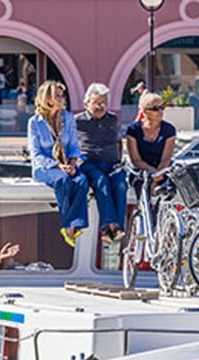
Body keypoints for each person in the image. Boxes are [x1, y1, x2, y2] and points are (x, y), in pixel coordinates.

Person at [27, 80, 89, 247]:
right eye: (58, 96)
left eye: (62, 96)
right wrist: (58, 166)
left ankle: (74, 222)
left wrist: (73, 162)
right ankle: (68, 225)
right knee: (63, 180)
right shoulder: (35, 122)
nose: (62, 99)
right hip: (45, 167)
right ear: (47, 99)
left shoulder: (68, 118)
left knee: (82, 181)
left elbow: (75, 146)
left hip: (66, 164)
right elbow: (36, 153)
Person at [75, 83, 127, 244]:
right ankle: (111, 226)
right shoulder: (77, 121)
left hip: (111, 164)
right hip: (89, 163)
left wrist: (119, 157)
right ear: (86, 104)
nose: (100, 106)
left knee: (120, 185)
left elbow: (118, 141)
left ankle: (112, 228)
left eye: (103, 103)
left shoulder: (112, 119)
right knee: (101, 182)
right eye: (96, 103)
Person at [126, 92, 176, 177]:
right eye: (155, 109)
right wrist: (151, 172)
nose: (160, 111)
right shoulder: (133, 130)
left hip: (163, 172)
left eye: (162, 107)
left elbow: (165, 159)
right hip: (140, 173)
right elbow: (136, 160)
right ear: (145, 111)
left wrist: (158, 174)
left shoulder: (169, 130)